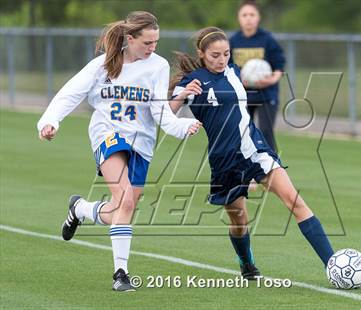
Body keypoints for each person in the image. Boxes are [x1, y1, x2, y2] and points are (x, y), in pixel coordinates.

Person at [37, 11, 201, 292]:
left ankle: (80, 209)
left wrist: (180, 126)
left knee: (121, 209)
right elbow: (70, 93)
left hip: (142, 142)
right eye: (147, 43)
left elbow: (159, 110)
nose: (153, 48)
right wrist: (50, 121)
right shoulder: (102, 65)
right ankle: (120, 274)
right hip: (107, 134)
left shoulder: (157, 66)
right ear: (130, 39)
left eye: (156, 42)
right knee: (125, 199)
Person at [169, 27, 333, 279]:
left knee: (295, 201)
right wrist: (182, 95)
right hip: (224, 161)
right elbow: (165, 114)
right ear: (201, 54)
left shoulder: (235, 71)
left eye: (226, 53)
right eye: (215, 55)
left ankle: (333, 265)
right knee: (239, 221)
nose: (222, 59)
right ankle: (246, 263)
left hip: (256, 150)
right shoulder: (194, 81)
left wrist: (268, 78)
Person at [229, 0, 285, 152]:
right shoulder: (234, 41)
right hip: (243, 95)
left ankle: (272, 170)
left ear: (258, 17)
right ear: (239, 18)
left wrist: (271, 79)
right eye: (244, 15)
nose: (248, 18)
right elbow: (228, 67)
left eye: (252, 14)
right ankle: (248, 171)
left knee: (266, 133)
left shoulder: (267, 39)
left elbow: (279, 65)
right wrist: (240, 81)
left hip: (266, 95)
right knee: (244, 133)